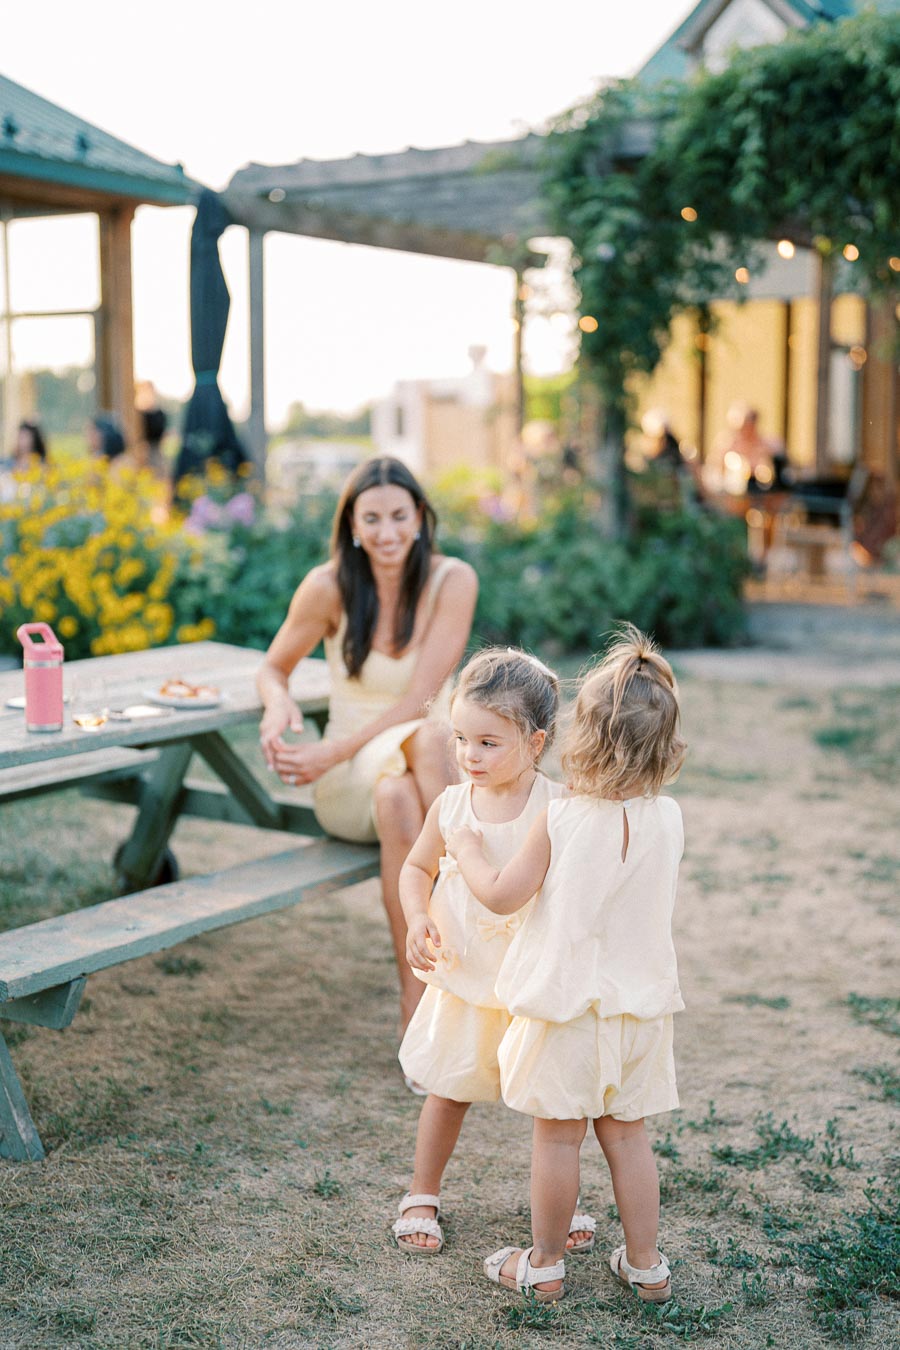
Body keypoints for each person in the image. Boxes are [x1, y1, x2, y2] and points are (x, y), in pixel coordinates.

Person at [448, 625, 686, 1303]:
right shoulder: (669, 819)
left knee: (556, 1141)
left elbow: (501, 895)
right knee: (629, 1138)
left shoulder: (559, 818)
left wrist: (466, 849)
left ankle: (545, 1263)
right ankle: (646, 1266)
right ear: (664, 746)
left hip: (566, 1012)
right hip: (639, 1013)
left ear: (582, 738)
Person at [257, 457, 478, 1042]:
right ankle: (482, 885)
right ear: (352, 524)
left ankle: (418, 1001)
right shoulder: (328, 586)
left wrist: (324, 753)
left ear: (420, 518)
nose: (386, 532)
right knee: (420, 753)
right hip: (349, 776)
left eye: (399, 516)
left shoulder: (452, 581)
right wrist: (279, 706)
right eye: (372, 518)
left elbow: (421, 698)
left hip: (417, 769)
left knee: (404, 792)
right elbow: (274, 668)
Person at [392, 649, 594, 1257]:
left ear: (535, 743)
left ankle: (564, 1202)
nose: (469, 756)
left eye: (487, 742)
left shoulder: (560, 806)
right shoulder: (451, 806)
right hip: (466, 977)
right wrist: (418, 914)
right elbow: (416, 866)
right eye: (459, 739)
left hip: (534, 983)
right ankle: (422, 1192)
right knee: (448, 1089)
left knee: (553, 1105)